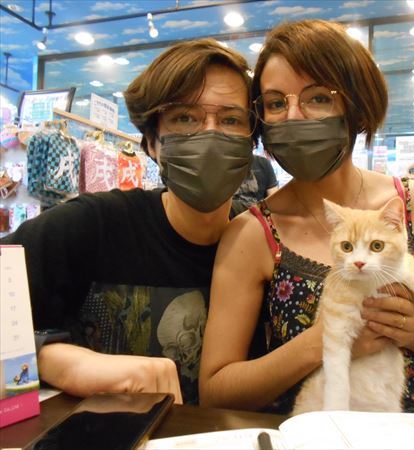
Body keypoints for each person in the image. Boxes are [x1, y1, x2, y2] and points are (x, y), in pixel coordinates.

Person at [200, 20, 414, 414]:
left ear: (358, 108)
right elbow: (217, 391)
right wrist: (322, 341)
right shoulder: (252, 232)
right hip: (312, 430)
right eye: (276, 103)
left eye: (317, 98)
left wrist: (413, 329)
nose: (293, 116)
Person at [0, 39, 256, 405]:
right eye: (185, 118)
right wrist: (52, 359)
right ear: (151, 142)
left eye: (231, 120)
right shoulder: (90, 226)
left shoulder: (266, 244)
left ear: (251, 143)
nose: (209, 135)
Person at [230, 153, 278, 218]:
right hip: (231, 217)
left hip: (259, 216)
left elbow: (274, 200)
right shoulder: (223, 166)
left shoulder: (263, 162)